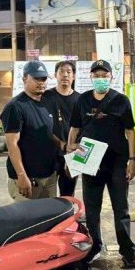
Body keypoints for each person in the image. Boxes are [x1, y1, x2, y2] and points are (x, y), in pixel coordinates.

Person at [68, 59, 135, 268]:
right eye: (97, 76)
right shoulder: (82, 100)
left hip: (117, 162)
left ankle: (127, 251)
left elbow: (130, 131)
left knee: (121, 209)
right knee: (92, 210)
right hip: (89, 160)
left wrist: (132, 160)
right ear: (91, 77)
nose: (100, 79)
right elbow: (74, 128)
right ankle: (94, 247)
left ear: (111, 77)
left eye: (104, 76)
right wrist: (70, 147)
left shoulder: (121, 100)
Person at [0, 61, 61, 201]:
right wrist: (21, 175)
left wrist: (64, 146)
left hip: (49, 177)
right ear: (24, 79)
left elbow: (48, 134)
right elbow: (12, 144)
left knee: (49, 214)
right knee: (27, 215)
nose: (41, 83)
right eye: (36, 78)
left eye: (43, 79)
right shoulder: (15, 107)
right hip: (28, 179)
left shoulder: (46, 103)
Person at [42, 60, 81, 196]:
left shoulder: (80, 99)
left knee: (68, 194)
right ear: (55, 75)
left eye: (69, 72)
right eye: (61, 72)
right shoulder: (46, 97)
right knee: (46, 193)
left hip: (72, 153)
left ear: (74, 76)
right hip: (49, 152)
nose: (65, 75)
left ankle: (67, 211)